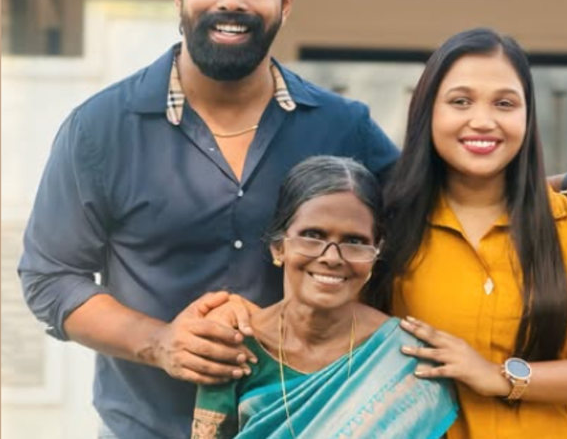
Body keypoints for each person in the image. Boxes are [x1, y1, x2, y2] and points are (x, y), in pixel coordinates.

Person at [17, 0, 567, 437]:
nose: (231, 0)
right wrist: (159, 343)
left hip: (318, 424)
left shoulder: (340, 126)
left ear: (284, 1)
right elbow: (51, 279)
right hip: (148, 430)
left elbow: (434, 197)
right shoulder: (101, 129)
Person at [369, 28, 567, 439]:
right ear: (428, 112)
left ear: (527, 116)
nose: (483, 121)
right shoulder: (385, 227)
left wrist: (502, 377)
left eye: (505, 103)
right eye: (460, 101)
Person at [190, 156, 458, 439]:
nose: (331, 257)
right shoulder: (233, 348)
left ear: (375, 253)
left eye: (354, 242)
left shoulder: (404, 356)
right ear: (278, 247)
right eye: (312, 235)